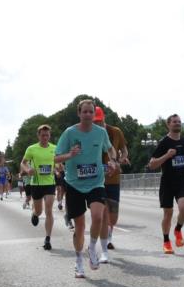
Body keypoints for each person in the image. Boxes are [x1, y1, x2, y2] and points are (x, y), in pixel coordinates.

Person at [55, 99, 116, 277]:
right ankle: (78, 261)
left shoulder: (100, 132)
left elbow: (110, 149)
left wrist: (112, 160)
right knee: (80, 227)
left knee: (98, 216)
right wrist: (70, 155)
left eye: (91, 112)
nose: (88, 115)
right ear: (79, 114)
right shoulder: (69, 133)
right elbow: (55, 158)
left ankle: (91, 248)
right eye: (85, 112)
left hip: (96, 182)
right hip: (74, 184)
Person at [148, 114, 184, 254]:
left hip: (182, 181)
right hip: (167, 183)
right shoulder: (164, 142)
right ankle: (166, 241)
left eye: (179, 122)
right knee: (168, 213)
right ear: (168, 125)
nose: (177, 124)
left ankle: (177, 230)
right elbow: (151, 165)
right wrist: (167, 156)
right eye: (174, 122)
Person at [94, 106, 129, 262]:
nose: (97, 124)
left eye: (99, 121)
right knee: (102, 213)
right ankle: (104, 245)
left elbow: (124, 150)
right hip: (96, 179)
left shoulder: (116, 132)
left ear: (104, 118)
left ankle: (108, 233)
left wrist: (120, 160)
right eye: (95, 122)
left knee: (113, 216)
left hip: (113, 178)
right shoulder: (90, 134)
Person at [22, 125, 58, 250]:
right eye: (43, 135)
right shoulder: (32, 149)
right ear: (38, 135)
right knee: (39, 211)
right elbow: (23, 162)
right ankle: (34, 214)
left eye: (47, 135)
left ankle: (48, 238)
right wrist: (28, 169)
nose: (45, 137)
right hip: (36, 184)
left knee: (49, 209)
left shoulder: (54, 148)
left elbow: (57, 162)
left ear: (50, 136)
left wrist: (58, 168)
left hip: (50, 183)